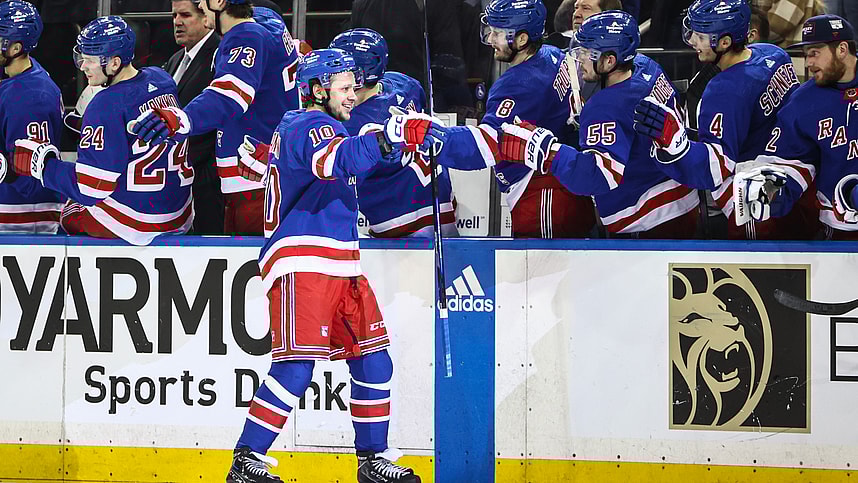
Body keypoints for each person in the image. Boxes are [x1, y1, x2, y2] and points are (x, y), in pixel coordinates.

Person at [225, 48, 438, 483]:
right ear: (317, 89)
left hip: (340, 260)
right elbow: (338, 161)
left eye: (352, 86)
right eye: (342, 87)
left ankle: (373, 459)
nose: (352, 94)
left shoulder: (312, 126)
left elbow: (344, 157)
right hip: (303, 260)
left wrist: (395, 140)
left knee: (373, 359)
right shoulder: (311, 123)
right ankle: (247, 459)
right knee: (296, 366)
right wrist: (392, 133)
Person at [499, 11, 699, 237]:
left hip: (648, 219)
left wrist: (545, 151)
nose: (579, 59)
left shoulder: (605, 106)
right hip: (681, 200)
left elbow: (598, 176)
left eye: (587, 53)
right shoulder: (647, 66)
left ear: (610, 60)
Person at [633, 0, 817, 240]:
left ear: (725, 42)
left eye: (700, 36)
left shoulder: (723, 91)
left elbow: (715, 168)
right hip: (800, 180)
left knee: (757, 275)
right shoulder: (774, 54)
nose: (692, 42)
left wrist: (674, 146)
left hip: (759, 200)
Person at [7, 16, 194, 245]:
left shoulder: (106, 104)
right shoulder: (162, 79)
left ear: (114, 63)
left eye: (89, 60)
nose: (83, 66)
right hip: (178, 214)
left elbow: (90, 187)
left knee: (68, 212)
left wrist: (43, 167)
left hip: (136, 222)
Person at [132, 0, 300, 235]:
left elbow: (229, 96)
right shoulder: (269, 21)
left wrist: (181, 119)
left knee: (254, 265)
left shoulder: (246, 37)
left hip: (254, 180)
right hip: (271, 173)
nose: (200, 4)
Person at [433, 0, 597, 238]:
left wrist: (434, 136)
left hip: (543, 195)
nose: (490, 39)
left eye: (498, 33)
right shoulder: (551, 55)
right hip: (565, 187)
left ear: (521, 39)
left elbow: (486, 145)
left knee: (541, 273)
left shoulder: (516, 84)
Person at [331, 28, 458, 237]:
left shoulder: (350, 126)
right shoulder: (405, 84)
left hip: (398, 223)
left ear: (357, 76)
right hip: (442, 202)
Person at [746, 15, 858, 240]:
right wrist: (772, 191)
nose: (808, 63)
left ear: (842, 49)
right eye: (807, 55)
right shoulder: (802, 103)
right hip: (841, 230)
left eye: (815, 53)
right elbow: (788, 162)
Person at [0, 1, 65, 234]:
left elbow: (31, 178)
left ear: (15, 48)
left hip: (21, 218)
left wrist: (5, 167)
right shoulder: (21, 75)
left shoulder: (30, 97)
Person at [164, 0, 223, 234]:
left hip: (205, 181)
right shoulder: (176, 59)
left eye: (185, 15)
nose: (177, 22)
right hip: (179, 178)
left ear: (205, 18)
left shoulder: (219, 56)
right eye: (174, 16)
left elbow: (217, 117)